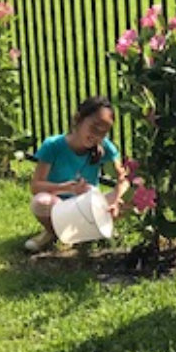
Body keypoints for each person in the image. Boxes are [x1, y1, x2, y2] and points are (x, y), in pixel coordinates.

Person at [24, 96, 128, 252]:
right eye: (94, 127)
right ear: (78, 119)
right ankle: (56, 232)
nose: (97, 135)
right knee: (41, 202)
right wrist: (67, 188)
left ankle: (89, 230)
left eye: (103, 132)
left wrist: (117, 200)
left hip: (90, 205)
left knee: (133, 198)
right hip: (59, 206)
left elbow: (123, 179)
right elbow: (36, 186)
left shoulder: (105, 147)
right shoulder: (53, 146)